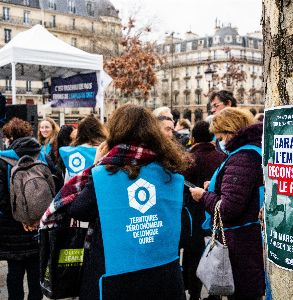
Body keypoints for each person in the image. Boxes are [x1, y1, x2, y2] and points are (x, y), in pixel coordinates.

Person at [65, 104, 189, 300]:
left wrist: (97, 164)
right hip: (164, 271)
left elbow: (79, 210)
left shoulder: (106, 173)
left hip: (117, 275)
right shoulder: (171, 170)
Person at [190, 108, 265, 300]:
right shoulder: (253, 151)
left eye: (220, 136)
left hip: (241, 243)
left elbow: (228, 208)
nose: (219, 141)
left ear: (229, 131)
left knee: (242, 292)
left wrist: (203, 195)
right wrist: (215, 186)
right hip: (250, 238)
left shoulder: (242, 157)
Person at [0, 118, 53, 300]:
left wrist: (22, 218)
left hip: (12, 227)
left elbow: (1, 198)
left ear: (11, 137)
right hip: (40, 225)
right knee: (36, 272)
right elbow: (57, 185)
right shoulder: (43, 156)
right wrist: (39, 218)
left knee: (14, 272)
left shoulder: (2, 158)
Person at [181, 121, 225, 300]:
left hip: (194, 216)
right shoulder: (221, 157)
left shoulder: (189, 158)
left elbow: (182, 189)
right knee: (214, 253)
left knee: (193, 255)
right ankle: (214, 293)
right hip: (216, 213)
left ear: (193, 138)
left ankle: (194, 293)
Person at [59, 115, 107, 181]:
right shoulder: (108, 150)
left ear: (79, 132)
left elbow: (67, 182)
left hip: (78, 189)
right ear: (100, 129)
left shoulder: (70, 153)